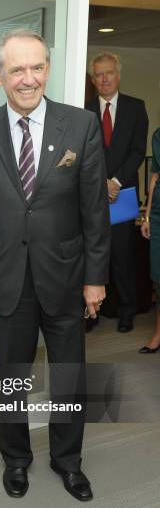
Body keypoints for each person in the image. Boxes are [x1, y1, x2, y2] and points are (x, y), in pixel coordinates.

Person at [0, 29, 110, 502]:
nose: (29, 79)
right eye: (18, 69)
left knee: (68, 377)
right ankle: (16, 460)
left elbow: (94, 213)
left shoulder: (79, 126)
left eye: (37, 67)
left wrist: (94, 279)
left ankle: (68, 462)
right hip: (3, 281)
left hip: (65, 277)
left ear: (47, 69)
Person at [87, 52, 148, 333]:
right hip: (91, 194)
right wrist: (100, 183)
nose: (104, 78)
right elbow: (81, 154)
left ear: (118, 75)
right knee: (93, 254)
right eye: (98, 74)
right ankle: (93, 312)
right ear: (93, 79)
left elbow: (138, 151)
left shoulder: (136, 107)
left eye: (109, 72)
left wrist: (115, 182)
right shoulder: (83, 109)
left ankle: (126, 311)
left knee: (122, 255)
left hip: (122, 195)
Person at [140, 128, 160, 353]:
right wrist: (147, 215)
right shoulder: (158, 136)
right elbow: (155, 175)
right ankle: (158, 333)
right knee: (159, 278)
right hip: (159, 215)